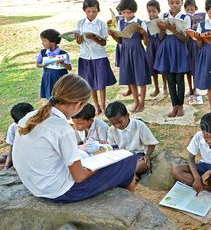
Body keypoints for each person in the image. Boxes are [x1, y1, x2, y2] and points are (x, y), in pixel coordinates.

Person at [13, 74, 138, 203]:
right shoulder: (63, 129)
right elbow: (79, 177)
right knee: (128, 160)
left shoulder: (29, 116)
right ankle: (128, 203)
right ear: (79, 104)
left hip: (34, 185)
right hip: (59, 192)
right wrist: (97, 168)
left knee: (101, 154)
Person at [109, 0, 150, 113]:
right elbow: (121, 41)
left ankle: (142, 103)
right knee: (130, 78)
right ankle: (136, 101)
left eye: (129, 12)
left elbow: (147, 43)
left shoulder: (140, 23)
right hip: (125, 52)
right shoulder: (121, 22)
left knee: (140, 78)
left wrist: (144, 34)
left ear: (134, 11)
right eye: (124, 12)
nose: (126, 15)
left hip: (138, 52)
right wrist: (113, 34)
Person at [76, 0, 116, 116]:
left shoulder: (101, 24)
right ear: (85, 11)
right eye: (89, 11)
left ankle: (103, 107)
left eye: (94, 11)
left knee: (101, 83)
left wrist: (94, 38)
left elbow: (104, 43)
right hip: (85, 57)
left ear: (98, 11)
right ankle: (96, 106)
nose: (91, 14)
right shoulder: (80, 23)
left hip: (99, 57)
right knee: (90, 83)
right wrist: (79, 39)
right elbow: (79, 42)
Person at [154, 0, 191, 118]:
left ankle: (181, 106)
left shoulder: (185, 17)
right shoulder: (164, 16)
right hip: (167, 49)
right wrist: (162, 30)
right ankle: (174, 106)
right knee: (170, 79)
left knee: (180, 79)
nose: (174, 5)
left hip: (179, 48)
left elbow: (186, 39)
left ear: (182, 3)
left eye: (177, 2)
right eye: (172, 2)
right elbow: (161, 37)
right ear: (168, 3)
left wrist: (174, 30)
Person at [106, 101, 159, 176]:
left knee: (141, 165)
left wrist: (147, 156)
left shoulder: (138, 125)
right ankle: (127, 175)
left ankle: (125, 175)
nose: (117, 125)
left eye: (120, 122)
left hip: (137, 156)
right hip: (121, 158)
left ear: (127, 115)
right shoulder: (111, 130)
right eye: (114, 124)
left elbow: (151, 144)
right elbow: (112, 148)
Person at [36, 29, 72, 100]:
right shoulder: (43, 52)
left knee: (61, 96)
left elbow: (69, 68)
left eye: (44, 41)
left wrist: (63, 63)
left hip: (60, 79)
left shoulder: (64, 54)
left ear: (52, 42)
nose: (42, 43)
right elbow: (37, 64)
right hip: (48, 78)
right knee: (50, 97)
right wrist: (42, 65)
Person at [1, 102, 34, 170]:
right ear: (16, 122)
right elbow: (12, 149)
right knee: (4, 159)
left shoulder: (40, 126)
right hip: (17, 153)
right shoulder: (13, 128)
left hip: (30, 155)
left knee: (15, 168)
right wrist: (6, 167)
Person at [146, 0, 167, 97]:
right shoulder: (146, 23)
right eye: (149, 11)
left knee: (163, 68)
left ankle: (165, 87)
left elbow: (163, 36)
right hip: (151, 47)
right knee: (152, 68)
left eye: (154, 11)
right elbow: (145, 38)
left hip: (160, 46)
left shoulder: (162, 22)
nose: (151, 13)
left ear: (158, 11)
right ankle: (157, 88)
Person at [185, 0, 199, 96]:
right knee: (188, 68)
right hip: (186, 44)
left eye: (192, 9)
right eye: (188, 10)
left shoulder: (198, 18)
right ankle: (190, 88)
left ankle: (195, 88)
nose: (190, 12)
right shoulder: (184, 18)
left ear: (195, 9)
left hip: (195, 44)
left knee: (194, 67)